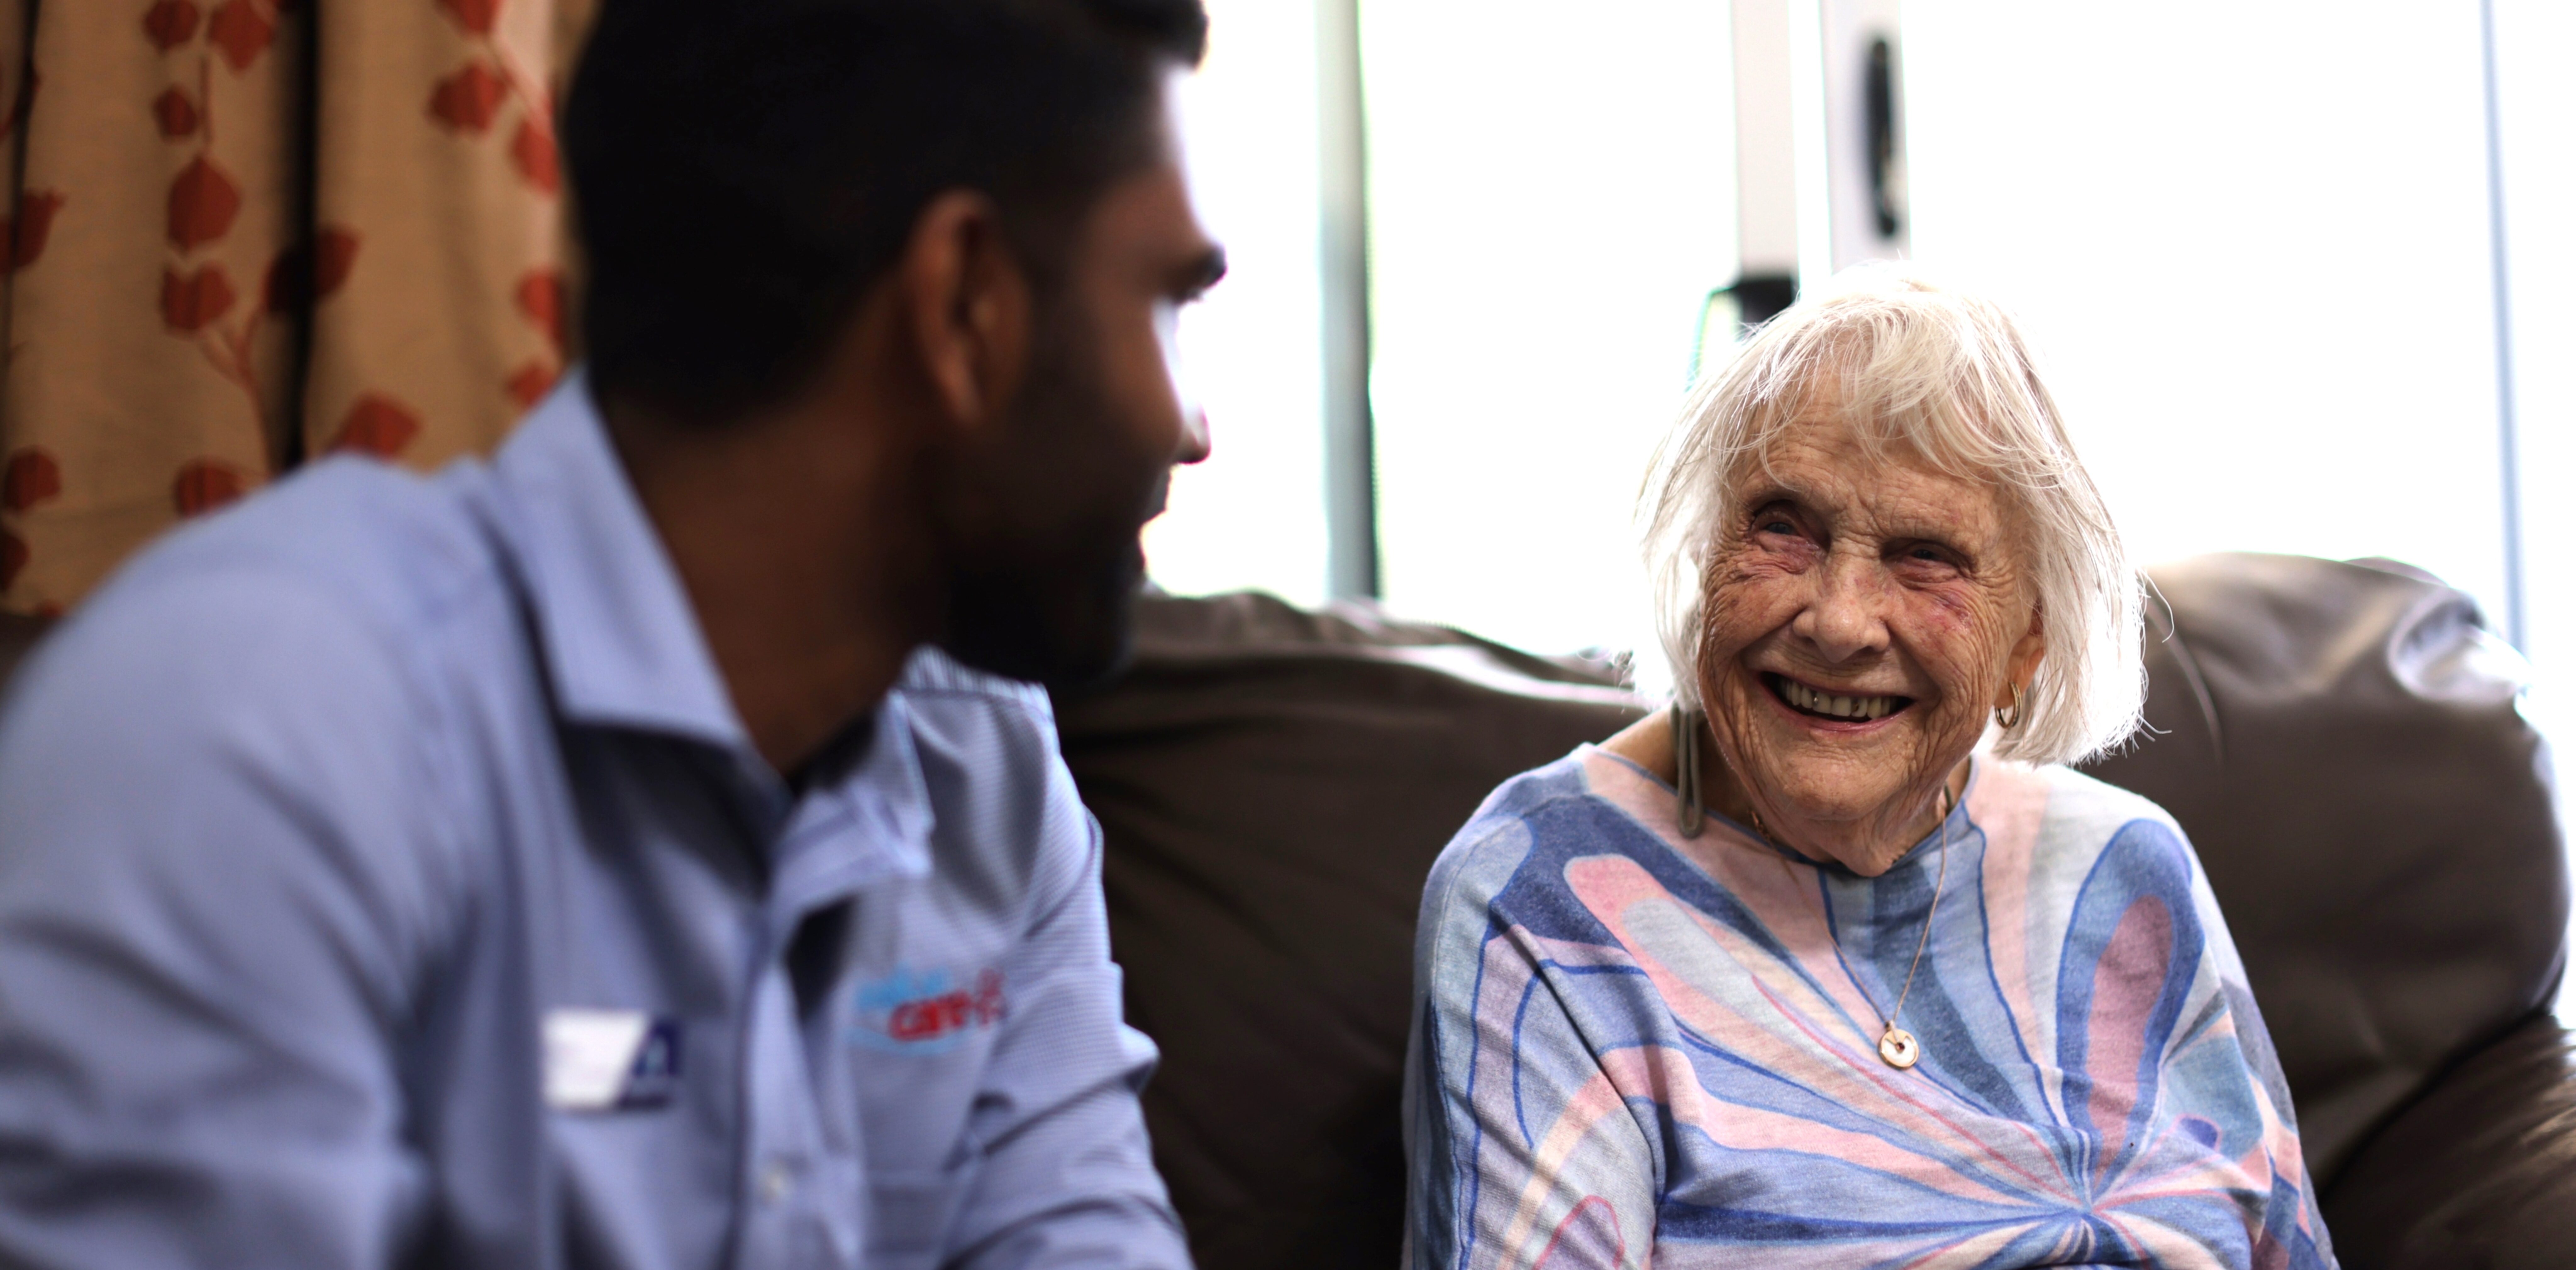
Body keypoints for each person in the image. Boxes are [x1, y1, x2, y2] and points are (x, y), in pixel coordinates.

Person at [0, 1, 1221, 1265]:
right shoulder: (258, 719)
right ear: (965, 303)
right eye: (1168, 302)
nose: (1190, 426)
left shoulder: (989, 770)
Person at [1402, 270, 2337, 1268]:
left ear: (2030, 640)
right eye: (1781, 527)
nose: (1840, 620)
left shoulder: (2127, 868)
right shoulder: (1543, 898)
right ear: (1703, 552)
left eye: (1924, 555)